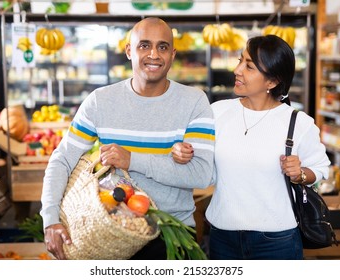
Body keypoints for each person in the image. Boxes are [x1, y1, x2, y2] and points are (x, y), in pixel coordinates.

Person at [40, 17, 215, 260]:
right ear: (129, 51)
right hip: (113, 234)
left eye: (162, 47)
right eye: (144, 45)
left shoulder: (194, 101)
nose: (154, 54)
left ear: (172, 55)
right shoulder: (100, 101)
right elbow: (62, 160)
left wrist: (132, 160)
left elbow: (201, 174)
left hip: (173, 236)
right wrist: (50, 219)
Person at [173, 35, 330, 260]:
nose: (237, 70)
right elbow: (205, 172)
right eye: (240, 61)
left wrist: (301, 173)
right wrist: (184, 153)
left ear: (272, 82)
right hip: (222, 237)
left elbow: (321, 169)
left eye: (249, 66)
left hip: (278, 242)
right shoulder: (217, 112)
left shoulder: (298, 122)